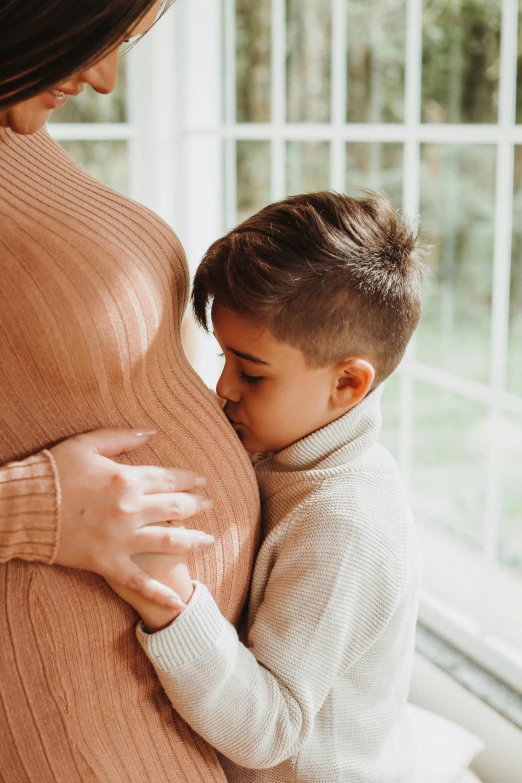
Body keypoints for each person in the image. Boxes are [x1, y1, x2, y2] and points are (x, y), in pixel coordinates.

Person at [0, 1, 259, 780]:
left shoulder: (22, 129)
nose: (105, 79)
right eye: (93, 35)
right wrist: (31, 506)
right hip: (67, 713)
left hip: (189, 674)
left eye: (125, 41)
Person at [115, 191, 425, 782]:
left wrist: (167, 591)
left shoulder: (344, 521)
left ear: (347, 384)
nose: (222, 388)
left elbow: (271, 733)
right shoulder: (286, 450)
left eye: (252, 372)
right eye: (222, 359)